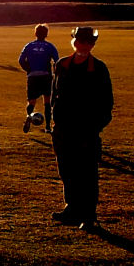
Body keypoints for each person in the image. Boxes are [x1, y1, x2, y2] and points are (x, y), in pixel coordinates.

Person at [50, 26, 114, 232]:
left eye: (88, 42)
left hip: (87, 130)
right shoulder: (62, 64)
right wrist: (55, 121)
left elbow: (107, 102)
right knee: (66, 170)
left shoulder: (99, 68)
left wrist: (95, 127)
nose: (84, 45)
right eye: (80, 41)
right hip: (62, 129)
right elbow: (54, 94)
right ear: (74, 41)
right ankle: (71, 207)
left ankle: (88, 216)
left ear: (92, 45)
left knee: (87, 173)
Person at [18, 23, 59, 133]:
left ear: (35, 33)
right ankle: (48, 127)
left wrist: (29, 70)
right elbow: (57, 61)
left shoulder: (29, 46)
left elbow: (21, 60)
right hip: (46, 76)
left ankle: (28, 116)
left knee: (31, 101)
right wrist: (55, 73)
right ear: (46, 34)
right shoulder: (50, 46)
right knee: (47, 102)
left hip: (32, 77)